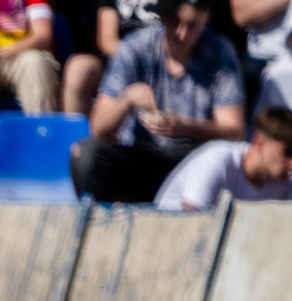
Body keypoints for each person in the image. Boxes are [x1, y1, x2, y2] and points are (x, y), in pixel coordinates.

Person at [76, 0, 242, 202]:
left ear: (205, 18)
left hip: (194, 158)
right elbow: (98, 128)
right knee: (86, 154)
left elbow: (234, 132)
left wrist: (183, 126)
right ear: (161, 18)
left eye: (192, 25)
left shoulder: (219, 52)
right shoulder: (136, 47)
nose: (181, 33)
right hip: (142, 155)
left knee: (220, 161)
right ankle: (102, 218)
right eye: (174, 22)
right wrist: (127, 99)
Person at [155, 103, 292, 201]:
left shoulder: (284, 181)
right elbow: (192, 223)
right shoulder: (216, 159)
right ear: (259, 143)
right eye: (288, 153)